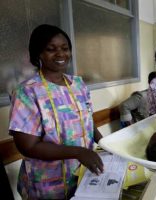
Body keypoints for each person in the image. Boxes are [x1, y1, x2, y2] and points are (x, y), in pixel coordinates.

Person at [8, 24, 104, 199]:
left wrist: (105, 144)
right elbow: (27, 147)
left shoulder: (78, 84)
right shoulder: (27, 92)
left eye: (65, 48)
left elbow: (87, 120)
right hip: (46, 186)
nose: (60, 54)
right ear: (38, 54)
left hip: (82, 175)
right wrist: (78, 152)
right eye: (51, 49)